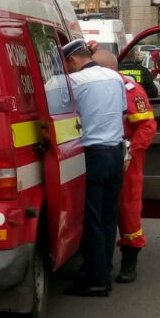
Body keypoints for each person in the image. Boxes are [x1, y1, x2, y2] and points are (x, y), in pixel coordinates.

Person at [61, 39, 127, 296]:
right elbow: (122, 112)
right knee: (109, 217)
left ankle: (97, 279)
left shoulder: (74, 82)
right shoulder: (114, 78)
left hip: (92, 155)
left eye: (67, 65)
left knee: (92, 218)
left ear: (72, 60)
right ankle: (105, 268)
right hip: (115, 152)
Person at [94, 51, 156, 283]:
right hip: (97, 152)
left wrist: (130, 151)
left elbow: (146, 126)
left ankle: (130, 259)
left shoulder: (129, 89)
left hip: (125, 156)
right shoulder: (89, 84)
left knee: (127, 208)